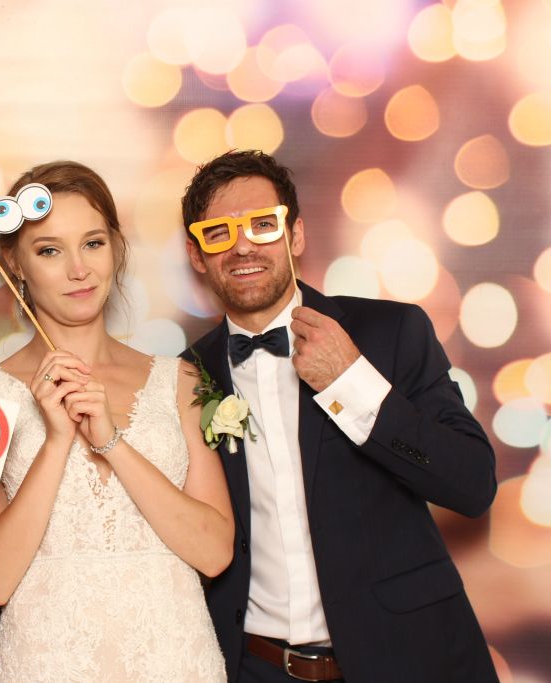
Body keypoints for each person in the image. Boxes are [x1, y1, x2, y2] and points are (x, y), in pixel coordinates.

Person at [180, 149, 499, 682]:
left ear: (296, 235)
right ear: (197, 254)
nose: (243, 246)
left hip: (407, 659)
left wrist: (350, 381)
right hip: (255, 667)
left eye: (263, 225)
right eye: (219, 233)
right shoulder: (186, 376)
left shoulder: (392, 332)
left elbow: (472, 485)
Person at [0, 160, 234, 682]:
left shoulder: (179, 381)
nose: (78, 270)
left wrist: (111, 442)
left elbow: (215, 552)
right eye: (49, 251)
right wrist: (56, 441)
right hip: (47, 664)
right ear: (14, 263)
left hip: (175, 662)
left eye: (92, 243)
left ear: (116, 247)